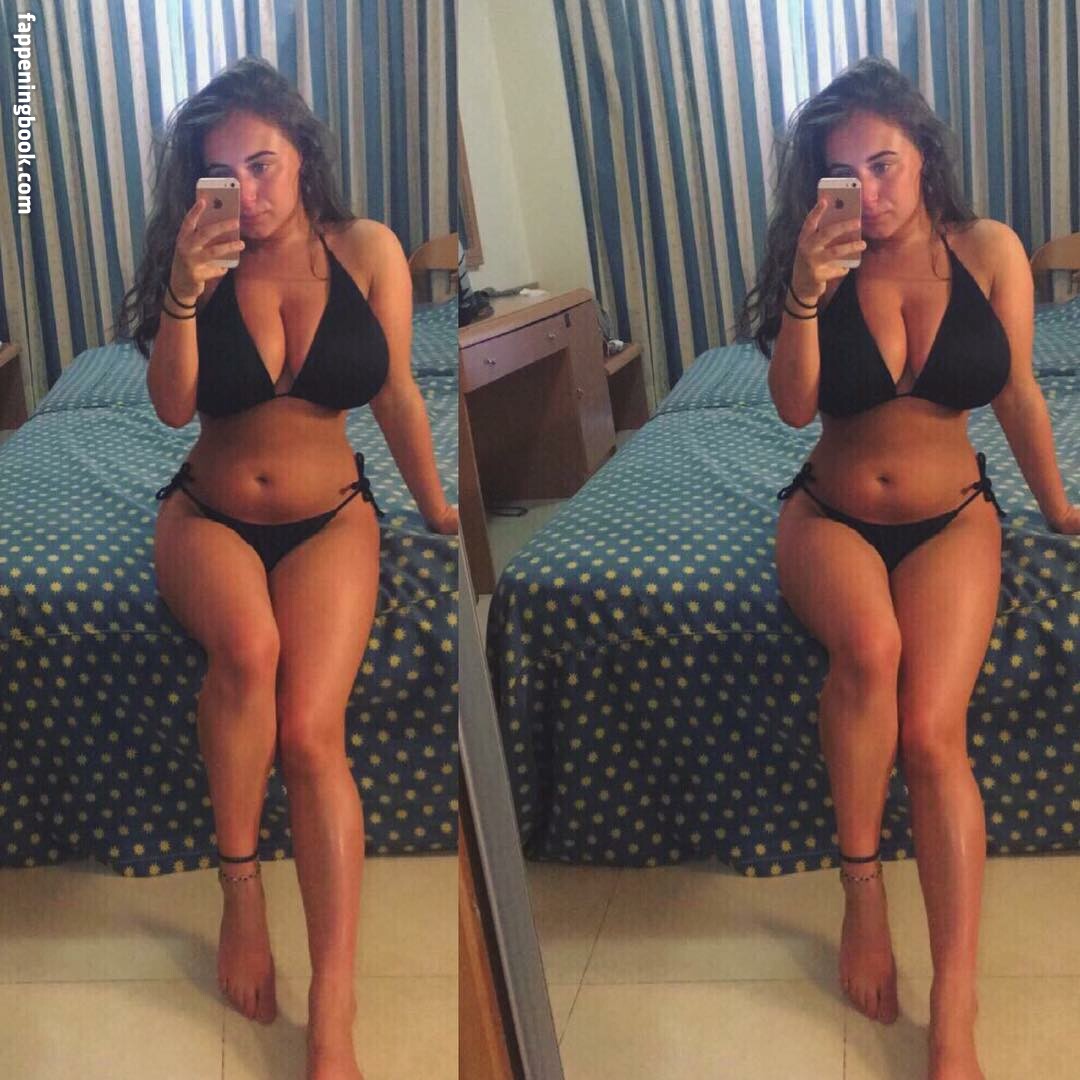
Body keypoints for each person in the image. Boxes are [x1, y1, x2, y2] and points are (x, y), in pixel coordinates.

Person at [115, 57, 457, 1080]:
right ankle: (241, 895)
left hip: (332, 519)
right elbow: (172, 409)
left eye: (262, 166)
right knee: (248, 651)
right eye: (221, 176)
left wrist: (437, 507)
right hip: (208, 514)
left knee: (311, 733)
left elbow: (396, 392)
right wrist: (183, 294)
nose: (247, 194)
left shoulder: (370, 250)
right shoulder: (197, 263)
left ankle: (335, 1004)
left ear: (304, 154)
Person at [738, 56, 1078, 1080]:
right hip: (830, 514)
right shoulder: (818, 262)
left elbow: (1017, 393)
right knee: (870, 650)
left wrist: (1058, 507)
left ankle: (956, 1003)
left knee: (933, 734)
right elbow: (794, 409)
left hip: (955, 519)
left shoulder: (992, 251)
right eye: (843, 176)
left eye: (884, 165)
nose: (870, 194)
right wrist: (805, 295)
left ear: (925, 154)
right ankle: (862, 896)